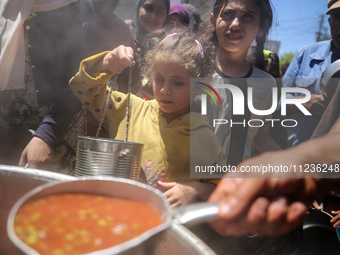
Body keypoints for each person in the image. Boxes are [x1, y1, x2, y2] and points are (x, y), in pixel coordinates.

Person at [69, 28, 226, 207]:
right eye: (159, 79)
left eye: (178, 82)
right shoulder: (129, 110)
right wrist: (106, 63)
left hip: (162, 225)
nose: (165, 89)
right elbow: (83, 88)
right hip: (111, 212)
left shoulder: (202, 136)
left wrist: (195, 189)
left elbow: (223, 189)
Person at [0, 0, 96, 173]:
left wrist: (46, 134)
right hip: (6, 129)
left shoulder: (77, 5)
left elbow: (82, 77)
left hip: (57, 127)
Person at [207, 0, 281, 167]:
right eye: (227, 14)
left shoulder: (266, 84)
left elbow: (260, 137)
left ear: (262, 27)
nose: (235, 24)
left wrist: (297, 165)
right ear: (213, 20)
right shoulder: (192, 72)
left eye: (247, 16)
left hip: (234, 187)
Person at [282, 0, 340, 146]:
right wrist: (302, 102)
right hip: (296, 154)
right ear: (329, 21)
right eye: (338, 16)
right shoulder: (306, 54)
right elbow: (276, 100)